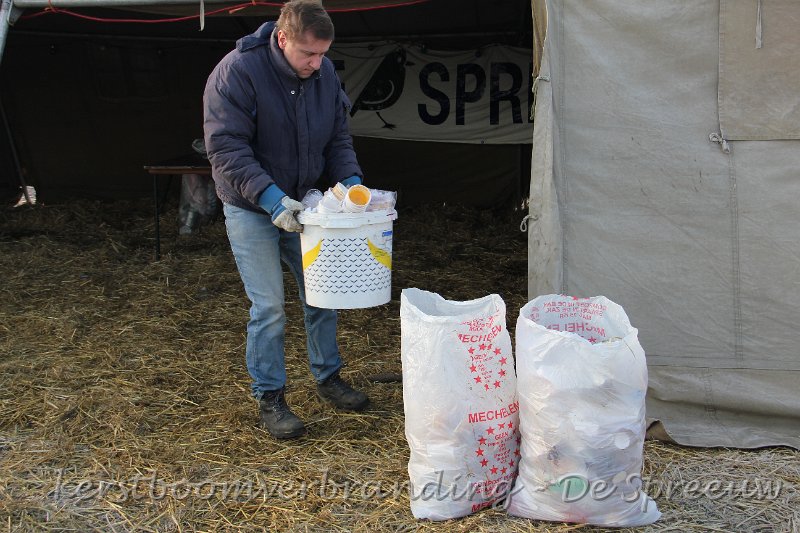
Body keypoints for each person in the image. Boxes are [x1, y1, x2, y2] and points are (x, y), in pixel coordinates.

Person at [203, 0, 368, 439]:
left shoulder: (323, 73)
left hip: (307, 204)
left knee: (323, 294)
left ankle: (328, 378)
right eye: (307, 55)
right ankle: (271, 397)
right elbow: (226, 150)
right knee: (270, 307)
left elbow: (337, 136)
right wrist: (273, 201)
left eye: (322, 55)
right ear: (282, 39)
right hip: (251, 205)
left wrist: (352, 187)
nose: (316, 65)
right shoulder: (237, 72)